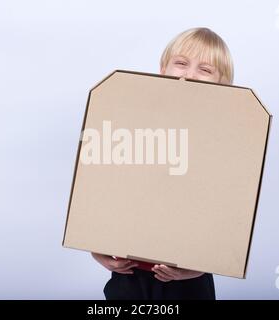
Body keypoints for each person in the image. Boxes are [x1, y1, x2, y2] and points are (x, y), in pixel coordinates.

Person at [92, 27, 234, 300]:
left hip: (189, 283)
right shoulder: (133, 130)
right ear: (162, 69)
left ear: (222, 84)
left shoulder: (223, 144)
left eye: (205, 69)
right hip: (129, 274)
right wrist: (96, 250)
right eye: (181, 63)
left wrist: (195, 270)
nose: (189, 74)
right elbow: (105, 192)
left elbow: (225, 217)